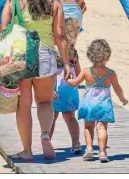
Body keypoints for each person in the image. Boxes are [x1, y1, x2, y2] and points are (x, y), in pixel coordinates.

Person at [1, 0, 71, 161]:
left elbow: (3, 30)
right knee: (45, 101)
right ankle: (45, 135)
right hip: (46, 55)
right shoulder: (53, 1)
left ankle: (27, 151)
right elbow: (59, 35)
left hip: (22, 56)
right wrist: (66, 62)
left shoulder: (14, 0)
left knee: (23, 105)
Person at [67, 39, 128, 162]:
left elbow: (74, 83)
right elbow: (117, 88)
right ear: (107, 55)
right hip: (103, 104)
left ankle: (89, 149)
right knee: (102, 128)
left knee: (88, 127)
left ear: (90, 55)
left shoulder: (86, 71)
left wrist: (67, 79)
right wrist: (122, 99)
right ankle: (102, 152)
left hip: (89, 103)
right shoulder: (111, 73)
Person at [49, 18, 81, 154]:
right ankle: (76, 143)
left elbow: (48, 70)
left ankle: (47, 142)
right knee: (71, 117)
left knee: (51, 117)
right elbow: (78, 71)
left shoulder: (54, 50)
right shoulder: (73, 52)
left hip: (55, 85)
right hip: (69, 85)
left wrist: (48, 88)